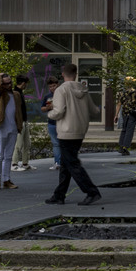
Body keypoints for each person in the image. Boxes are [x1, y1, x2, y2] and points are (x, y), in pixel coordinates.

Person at [45, 62, 101, 206]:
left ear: (63, 74)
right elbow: (94, 110)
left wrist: (49, 114)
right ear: (76, 74)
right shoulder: (83, 89)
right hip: (80, 130)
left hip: (66, 131)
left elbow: (58, 111)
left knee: (72, 163)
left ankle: (92, 191)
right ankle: (59, 195)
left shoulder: (61, 90)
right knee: (66, 163)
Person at [0, 73, 24, 190]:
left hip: (13, 127)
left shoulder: (16, 95)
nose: (9, 85)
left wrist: (20, 125)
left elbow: (19, 111)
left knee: (8, 156)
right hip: (1, 127)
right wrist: (0, 76)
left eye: (10, 82)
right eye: (6, 83)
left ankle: (6, 179)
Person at [10, 74, 34, 172]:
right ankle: (14, 163)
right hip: (19, 121)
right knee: (18, 144)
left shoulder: (19, 93)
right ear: (23, 83)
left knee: (27, 143)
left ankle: (25, 163)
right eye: (26, 84)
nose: (26, 86)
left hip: (24, 120)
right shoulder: (16, 93)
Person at [116, 76, 136, 155]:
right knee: (129, 131)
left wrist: (116, 115)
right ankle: (125, 147)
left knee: (124, 129)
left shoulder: (122, 93)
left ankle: (121, 146)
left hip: (124, 113)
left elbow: (119, 104)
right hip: (133, 113)